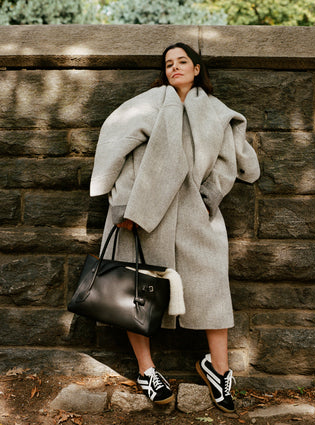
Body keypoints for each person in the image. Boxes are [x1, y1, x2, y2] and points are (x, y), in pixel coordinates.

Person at [90, 42, 260, 413]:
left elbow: (230, 159)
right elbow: (116, 142)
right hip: (143, 209)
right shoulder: (146, 104)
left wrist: (209, 196)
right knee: (132, 288)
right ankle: (146, 370)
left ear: (197, 68)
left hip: (198, 212)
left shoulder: (216, 111)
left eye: (183, 61)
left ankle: (219, 369)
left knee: (213, 286)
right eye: (169, 63)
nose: (175, 67)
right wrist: (121, 203)